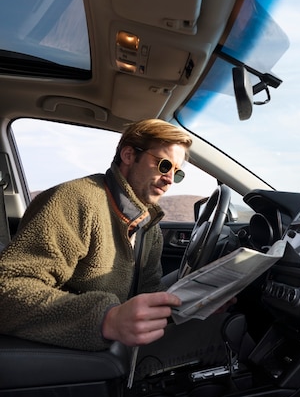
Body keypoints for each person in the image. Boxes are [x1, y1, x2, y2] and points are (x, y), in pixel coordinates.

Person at [0, 118, 193, 351]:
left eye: (177, 173)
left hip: (120, 352)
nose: (170, 179)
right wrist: (107, 319)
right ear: (129, 155)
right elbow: (7, 289)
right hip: (66, 355)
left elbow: (148, 291)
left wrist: (192, 303)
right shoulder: (74, 201)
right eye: (164, 165)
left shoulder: (148, 226)